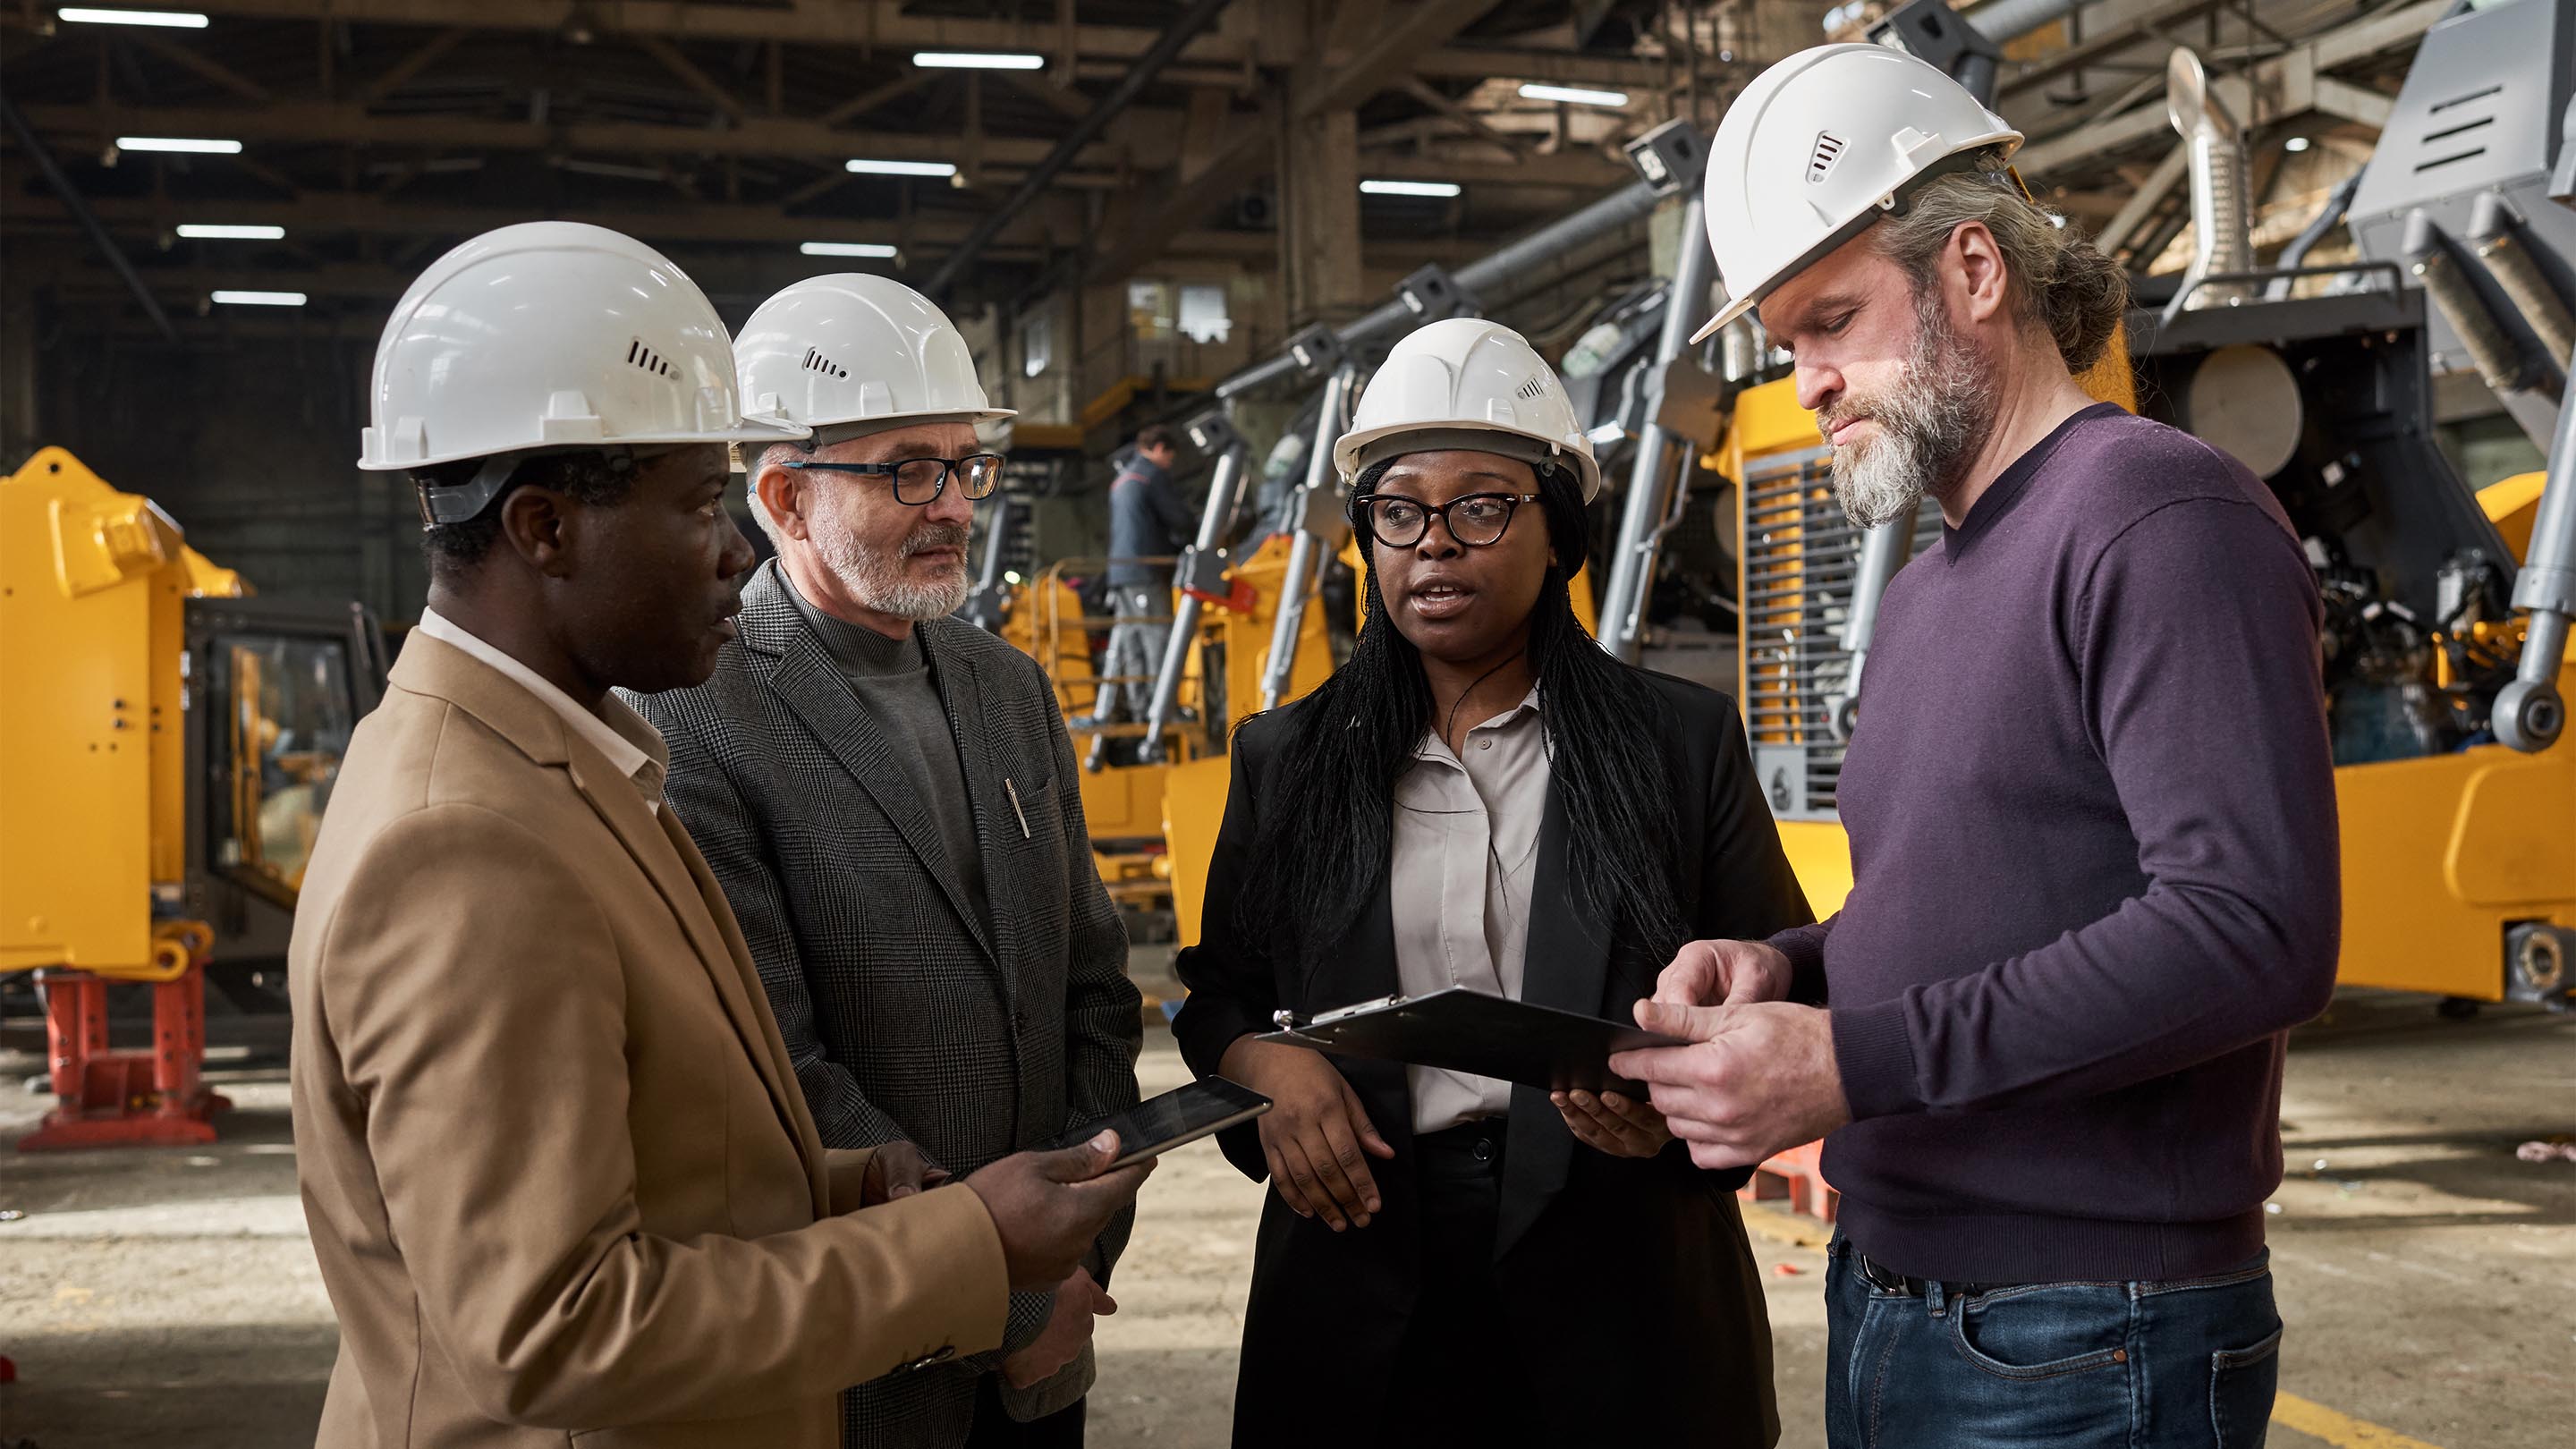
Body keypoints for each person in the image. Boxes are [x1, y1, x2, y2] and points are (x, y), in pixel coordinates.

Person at [291, 224, 1149, 1449]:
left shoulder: (559, 766)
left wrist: (876, 1190)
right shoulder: (466, 835)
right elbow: (558, 1328)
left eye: (966, 466)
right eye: (703, 500)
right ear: (543, 528)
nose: (737, 546)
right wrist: (971, 1253)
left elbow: (694, 1127)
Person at [1611, 45, 2341, 1449]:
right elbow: (1966, 891)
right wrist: (1796, 968)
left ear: (1974, 272)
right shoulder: (1940, 577)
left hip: (2085, 1328)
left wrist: (1856, 1064)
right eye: (1785, 349)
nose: (1809, 384)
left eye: (1833, 323)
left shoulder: (2156, 518)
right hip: (1900, 1291)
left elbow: (2255, 930)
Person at [1171, 318, 1815, 1448]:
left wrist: (1674, 1117)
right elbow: (1222, 991)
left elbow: (1777, 997)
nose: (1435, 545)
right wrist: (1256, 1059)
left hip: (1622, 1290)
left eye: (1480, 507)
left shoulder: (1678, 746)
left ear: (1558, 533)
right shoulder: (1289, 760)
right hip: (1362, 1279)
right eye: (1400, 510)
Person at [628, 273, 1143, 1449]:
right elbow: (775, 1072)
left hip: (1050, 1349)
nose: (955, 504)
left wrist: (1077, 1243)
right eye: (909, 469)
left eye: (967, 466)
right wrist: (998, 1287)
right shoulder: (689, 715)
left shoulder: (1007, 690)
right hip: (863, 1368)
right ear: (783, 497)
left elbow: (1095, 996)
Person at [1089, 424, 1193, 726]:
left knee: (1131, 643)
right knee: (1156, 640)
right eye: (1170, 457)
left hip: (1120, 573)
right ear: (1160, 449)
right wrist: (1194, 526)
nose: (1169, 464)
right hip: (1145, 572)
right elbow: (1179, 518)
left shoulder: (1122, 479)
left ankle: (1140, 711)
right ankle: (1164, 712)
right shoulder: (1152, 475)